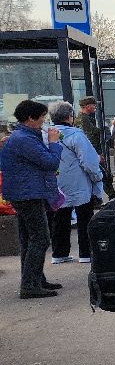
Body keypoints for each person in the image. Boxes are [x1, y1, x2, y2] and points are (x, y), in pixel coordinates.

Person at [0, 100, 64, 298]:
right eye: (42, 117)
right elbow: (50, 162)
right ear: (31, 118)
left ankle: (35, 279)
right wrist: (54, 143)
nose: (44, 121)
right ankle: (30, 285)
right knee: (40, 238)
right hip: (28, 193)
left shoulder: (23, 136)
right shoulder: (24, 139)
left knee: (29, 238)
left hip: (25, 191)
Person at [47, 102, 105, 265]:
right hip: (78, 182)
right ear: (68, 117)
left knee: (60, 217)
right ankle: (86, 253)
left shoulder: (45, 134)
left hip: (56, 182)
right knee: (84, 216)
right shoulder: (76, 135)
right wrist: (97, 177)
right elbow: (89, 161)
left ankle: (59, 253)